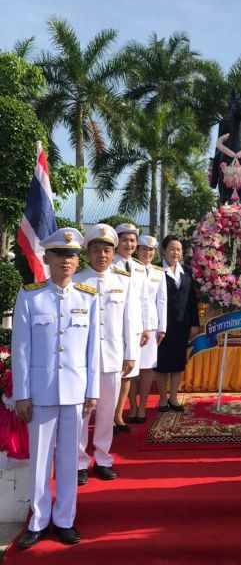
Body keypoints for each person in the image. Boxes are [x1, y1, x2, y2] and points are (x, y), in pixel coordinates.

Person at [12, 228, 99, 548]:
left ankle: (64, 519)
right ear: (47, 258)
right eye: (59, 254)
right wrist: (22, 393)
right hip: (40, 392)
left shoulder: (88, 297)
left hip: (75, 391)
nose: (66, 260)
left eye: (72, 255)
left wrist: (92, 391)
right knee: (40, 461)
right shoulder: (30, 296)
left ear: (77, 261)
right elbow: (21, 348)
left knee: (68, 460)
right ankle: (38, 520)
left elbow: (93, 349)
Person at [74, 224, 136, 483]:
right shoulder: (76, 281)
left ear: (113, 253)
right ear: (88, 253)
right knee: (81, 413)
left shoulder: (123, 280)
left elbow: (129, 319)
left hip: (111, 357)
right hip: (80, 359)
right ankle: (78, 461)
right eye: (96, 250)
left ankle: (103, 458)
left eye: (107, 250)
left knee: (107, 411)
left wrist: (130, 353)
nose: (102, 255)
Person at [112, 223, 151, 431]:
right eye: (125, 240)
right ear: (116, 242)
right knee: (113, 373)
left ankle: (118, 415)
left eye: (133, 240)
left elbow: (144, 299)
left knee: (128, 372)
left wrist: (145, 327)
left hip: (134, 327)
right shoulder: (110, 265)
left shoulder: (139, 267)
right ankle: (108, 416)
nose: (129, 244)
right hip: (115, 328)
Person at [154, 235, 200, 411]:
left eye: (178, 249)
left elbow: (192, 300)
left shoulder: (187, 271)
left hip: (182, 325)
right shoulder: (156, 270)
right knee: (162, 363)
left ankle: (173, 397)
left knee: (178, 363)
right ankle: (162, 398)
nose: (175, 252)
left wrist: (194, 323)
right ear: (164, 251)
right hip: (162, 326)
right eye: (172, 249)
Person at [128, 234, 167, 423]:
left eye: (151, 249)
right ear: (137, 250)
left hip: (151, 325)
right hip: (132, 324)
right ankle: (132, 406)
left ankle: (142, 406)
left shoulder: (159, 272)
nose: (148, 252)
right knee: (130, 369)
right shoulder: (129, 268)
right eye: (144, 248)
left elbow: (162, 301)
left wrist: (162, 327)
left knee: (147, 369)